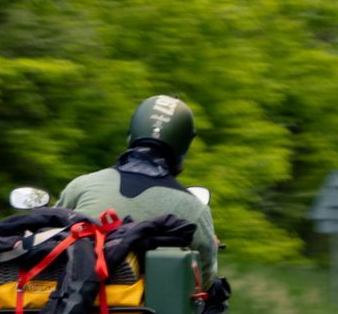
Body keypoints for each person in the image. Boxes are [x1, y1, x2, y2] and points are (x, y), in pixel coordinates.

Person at [58, 95, 219, 282]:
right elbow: (205, 279)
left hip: (70, 305)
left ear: (132, 131)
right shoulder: (194, 209)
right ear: (184, 143)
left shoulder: (82, 185)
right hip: (151, 310)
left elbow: (53, 235)